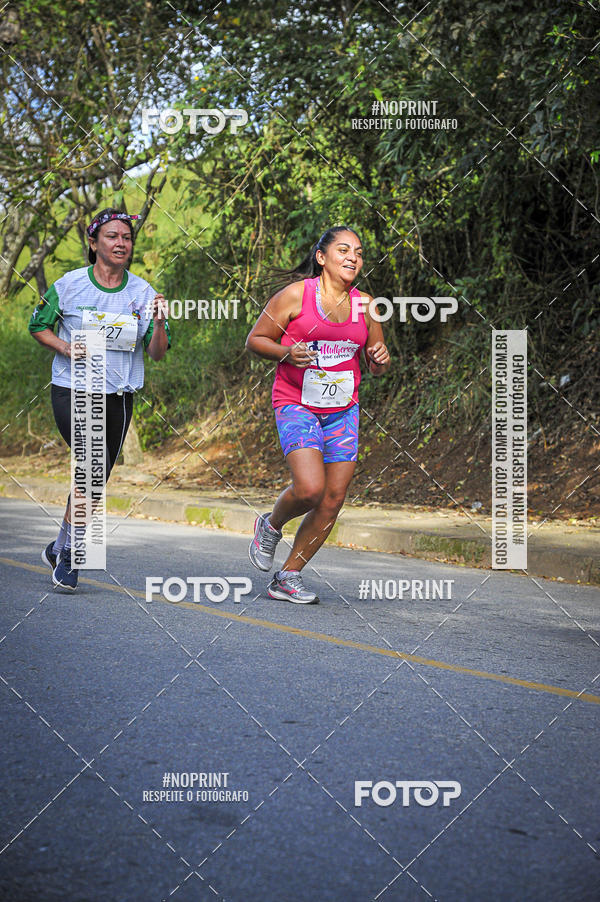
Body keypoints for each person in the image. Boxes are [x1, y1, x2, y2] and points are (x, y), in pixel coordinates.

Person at [28, 208, 170, 592]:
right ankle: (72, 559)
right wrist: (65, 346)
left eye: (126, 237)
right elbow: (38, 325)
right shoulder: (70, 285)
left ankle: (60, 547)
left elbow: (157, 353)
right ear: (94, 244)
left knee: (93, 479)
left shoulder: (142, 292)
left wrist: (158, 321)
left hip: (120, 397)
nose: (121, 242)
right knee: (90, 471)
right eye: (112, 236)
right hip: (73, 389)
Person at [246, 226, 390, 604]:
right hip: (297, 402)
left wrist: (379, 360)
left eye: (358, 252)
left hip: (342, 410)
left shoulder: (367, 305)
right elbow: (256, 339)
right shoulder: (296, 295)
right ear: (322, 257)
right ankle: (271, 524)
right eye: (344, 250)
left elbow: (376, 357)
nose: (353, 258)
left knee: (332, 498)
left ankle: (288, 575)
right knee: (310, 489)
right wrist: (285, 353)